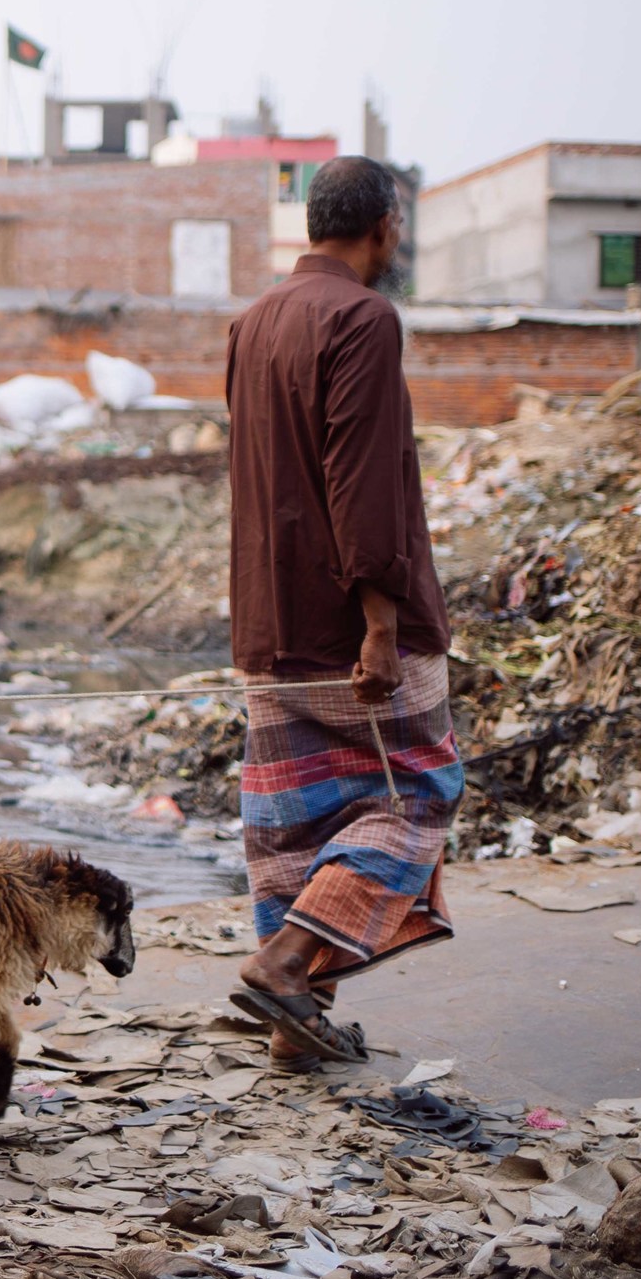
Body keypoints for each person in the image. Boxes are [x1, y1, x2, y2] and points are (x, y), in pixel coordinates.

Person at [221, 155, 463, 1071]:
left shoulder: (252, 324)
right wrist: (380, 621)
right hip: (348, 626)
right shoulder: (364, 317)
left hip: (269, 624)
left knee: (294, 826)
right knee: (418, 796)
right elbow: (359, 481)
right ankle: (286, 965)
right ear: (385, 228)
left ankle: (296, 1033)